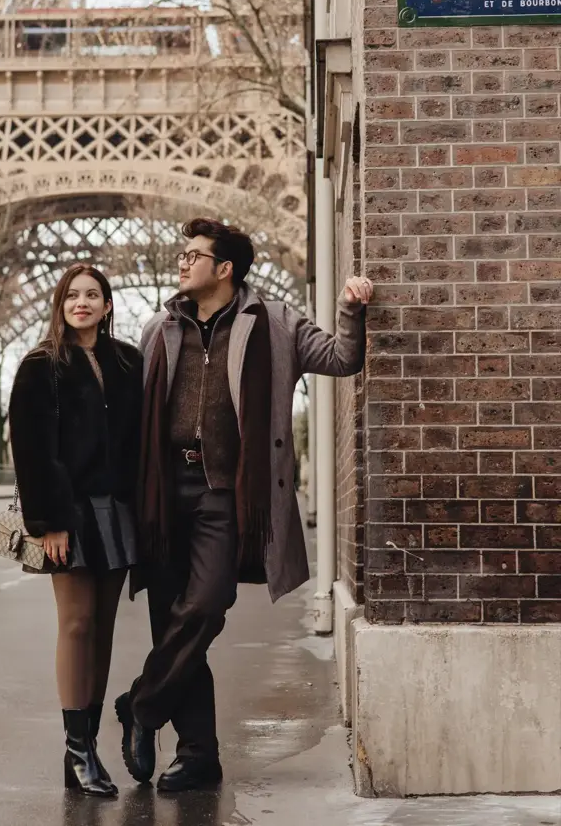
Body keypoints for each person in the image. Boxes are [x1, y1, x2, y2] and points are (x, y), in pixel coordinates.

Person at [115, 219, 372, 792]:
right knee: (176, 627)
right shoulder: (158, 328)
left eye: (192, 255)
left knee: (204, 607)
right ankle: (197, 755)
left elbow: (340, 358)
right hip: (163, 492)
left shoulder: (275, 323)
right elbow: (129, 417)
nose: (181, 263)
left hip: (224, 494)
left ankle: (141, 704)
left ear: (224, 268)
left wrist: (352, 311)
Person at [9, 264, 142, 798]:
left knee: (104, 630)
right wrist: (49, 524)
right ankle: (77, 746)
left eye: (93, 294)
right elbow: (33, 451)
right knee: (77, 624)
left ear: (107, 306)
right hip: (68, 511)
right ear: (60, 303)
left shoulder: (128, 361)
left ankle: (87, 743)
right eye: (72, 294)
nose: (82, 302)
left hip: (117, 507)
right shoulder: (41, 365)